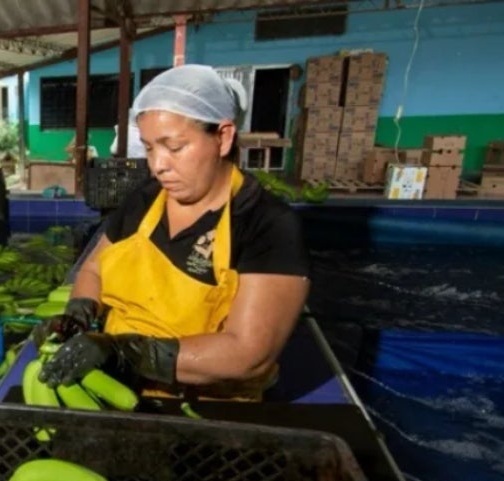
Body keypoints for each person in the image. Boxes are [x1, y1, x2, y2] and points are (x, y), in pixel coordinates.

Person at [34, 64, 310, 402]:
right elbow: (94, 269)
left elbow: (248, 354)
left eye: (174, 147)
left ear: (223, 137)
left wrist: (126, 352)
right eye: (150, 148)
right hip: (116, 382)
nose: (158, 165)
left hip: (207, 403)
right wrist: (78, 314)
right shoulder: (144, 200)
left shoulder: (265, 223)